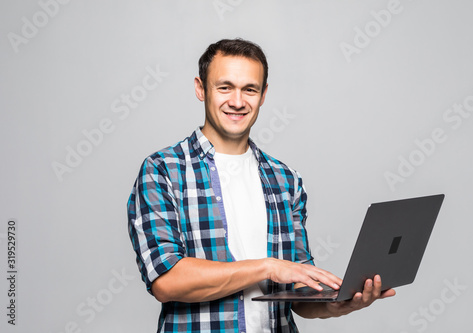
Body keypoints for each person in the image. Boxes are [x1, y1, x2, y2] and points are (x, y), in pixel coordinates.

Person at [127, 38, 395, 333]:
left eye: (249, 89)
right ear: (200, 88)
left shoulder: (284, 179)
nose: (238, 101)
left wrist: (337, 304)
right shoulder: (163, 170)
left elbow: (297, 290)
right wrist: (268, 266)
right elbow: (166, 281)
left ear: (263, 94)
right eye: (225, 87)